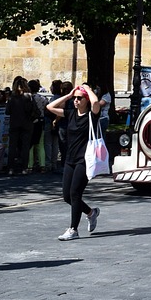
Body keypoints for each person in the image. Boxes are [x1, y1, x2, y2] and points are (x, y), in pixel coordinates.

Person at [46, 84, 103, 240]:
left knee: (75, 193)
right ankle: (91, 213)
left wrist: (89, 90)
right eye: (75, 98)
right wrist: (69, 96)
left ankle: (73, 229)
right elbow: (49, 106)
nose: (76, 101)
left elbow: (96, 103)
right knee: (67, 196)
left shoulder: (92, 115)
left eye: (79, 98)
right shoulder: (70, 113)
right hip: (70, 159)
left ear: (86, 100)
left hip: (84, 160)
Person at [7, 78, 37, 175]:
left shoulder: (12, 98)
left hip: (14, 123)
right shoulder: (29, 97)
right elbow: (35, 111)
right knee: (25, 147)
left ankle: (11, 168)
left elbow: (7, 111)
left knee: (12, 146)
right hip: (27, 124)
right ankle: (24, 168)